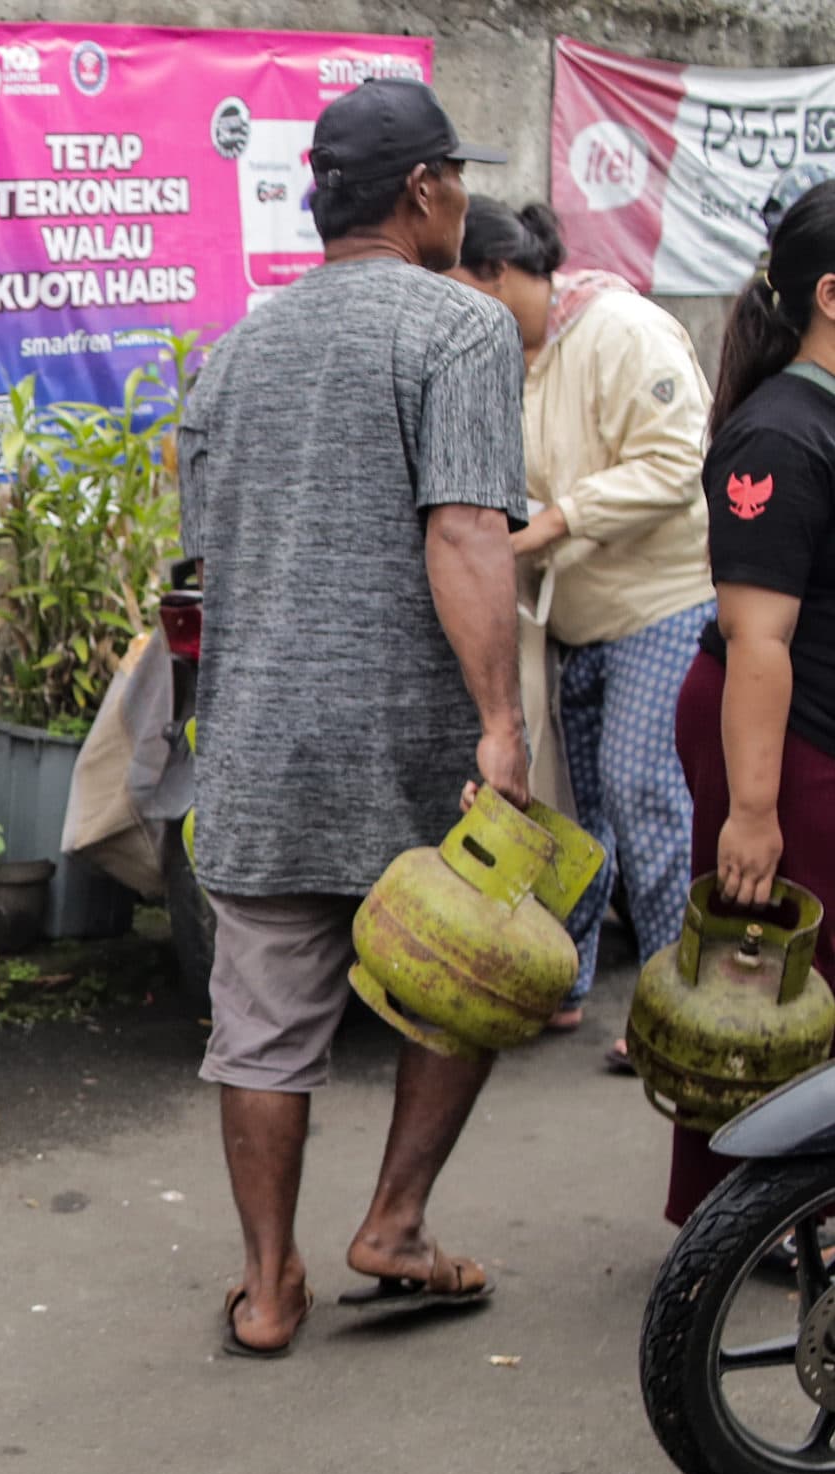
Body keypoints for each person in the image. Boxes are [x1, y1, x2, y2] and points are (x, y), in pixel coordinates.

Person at [176, 78, 528, 1358]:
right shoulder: (461, 328)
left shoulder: (234, 354)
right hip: (413, 738)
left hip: (262, 740)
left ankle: (269, 1287)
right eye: (459, 179)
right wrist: (501, 719)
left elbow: (205, 559)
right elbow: (468, 527)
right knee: (466, 976)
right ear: (425, 189)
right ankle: (395, 1218)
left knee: (261, 1025)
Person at [453, 197, 716, 1048]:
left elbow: (678, 463)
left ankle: (680, 1006)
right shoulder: (504, 357)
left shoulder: (622, 330)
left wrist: (558, 520)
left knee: (643, 790)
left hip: (663, 601)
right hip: (574, 616)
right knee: (583, 809)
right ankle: (564, 975)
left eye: (461, 284)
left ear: (496, 271)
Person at [669, 183, 835, 1221]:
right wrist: (754, 810)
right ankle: (751, 1221)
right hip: (782, 736)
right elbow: (759, 639)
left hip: (803, 730)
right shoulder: (779, 436)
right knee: (775, 975)